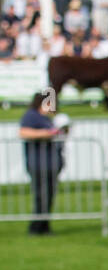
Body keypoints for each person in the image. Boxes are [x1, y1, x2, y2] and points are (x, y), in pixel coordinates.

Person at [19, 92, 65, 235]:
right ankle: (36, 227)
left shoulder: (47, 118)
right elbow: (23, 132)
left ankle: (44, 225)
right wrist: (47, 133)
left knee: (48, 195)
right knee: (41, 195)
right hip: (39, 164)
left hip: (50, 163)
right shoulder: (31, 115)